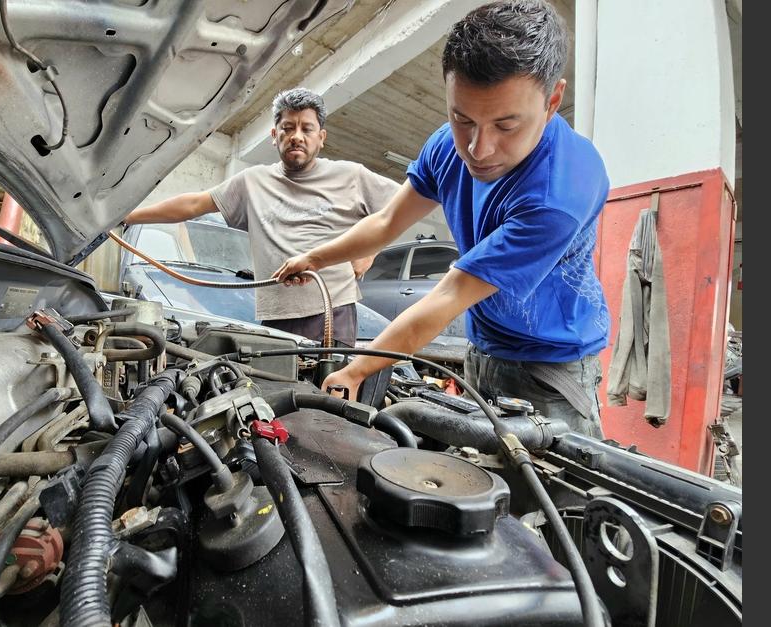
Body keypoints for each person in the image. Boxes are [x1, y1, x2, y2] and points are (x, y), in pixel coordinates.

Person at [274, 0, 611, 438]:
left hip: (551, 369)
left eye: (506, 126)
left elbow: (449, 294)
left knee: (553, 498)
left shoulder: (560, 193)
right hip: (483, 348)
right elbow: (386, 223)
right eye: (462, 118)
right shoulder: (446, 145)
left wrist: (356, 372)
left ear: (552, 102)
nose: (478, 148)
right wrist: (315, 258)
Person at [123, 87, 400, 348]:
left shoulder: (350, 176)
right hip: (275, 314)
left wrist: (370, 251)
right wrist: (128, 216)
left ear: (321, 137)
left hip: (332, 311)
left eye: (307, 128)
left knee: (329, 395)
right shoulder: (252, 182)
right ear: (274, 134)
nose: (297, 136)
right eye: (288, 128)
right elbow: (194, 203)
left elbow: (403, 205)